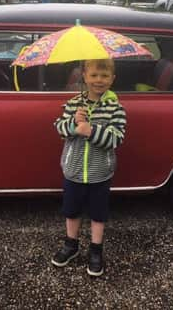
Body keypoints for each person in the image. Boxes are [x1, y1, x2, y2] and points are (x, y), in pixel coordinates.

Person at [52, 58, 127, 277]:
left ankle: (96, 250)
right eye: (93, 75)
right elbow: (59, 129)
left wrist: (91, 131)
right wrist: (74, 124)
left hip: (100, 174)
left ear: (112, 79)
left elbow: (116, 139)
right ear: (84, 76)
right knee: (72, 211)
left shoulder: (115, 108)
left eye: (104, 76)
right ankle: (71, 245)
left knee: (98, 214)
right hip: (73, 171)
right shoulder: (74, 103)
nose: (99, 80)